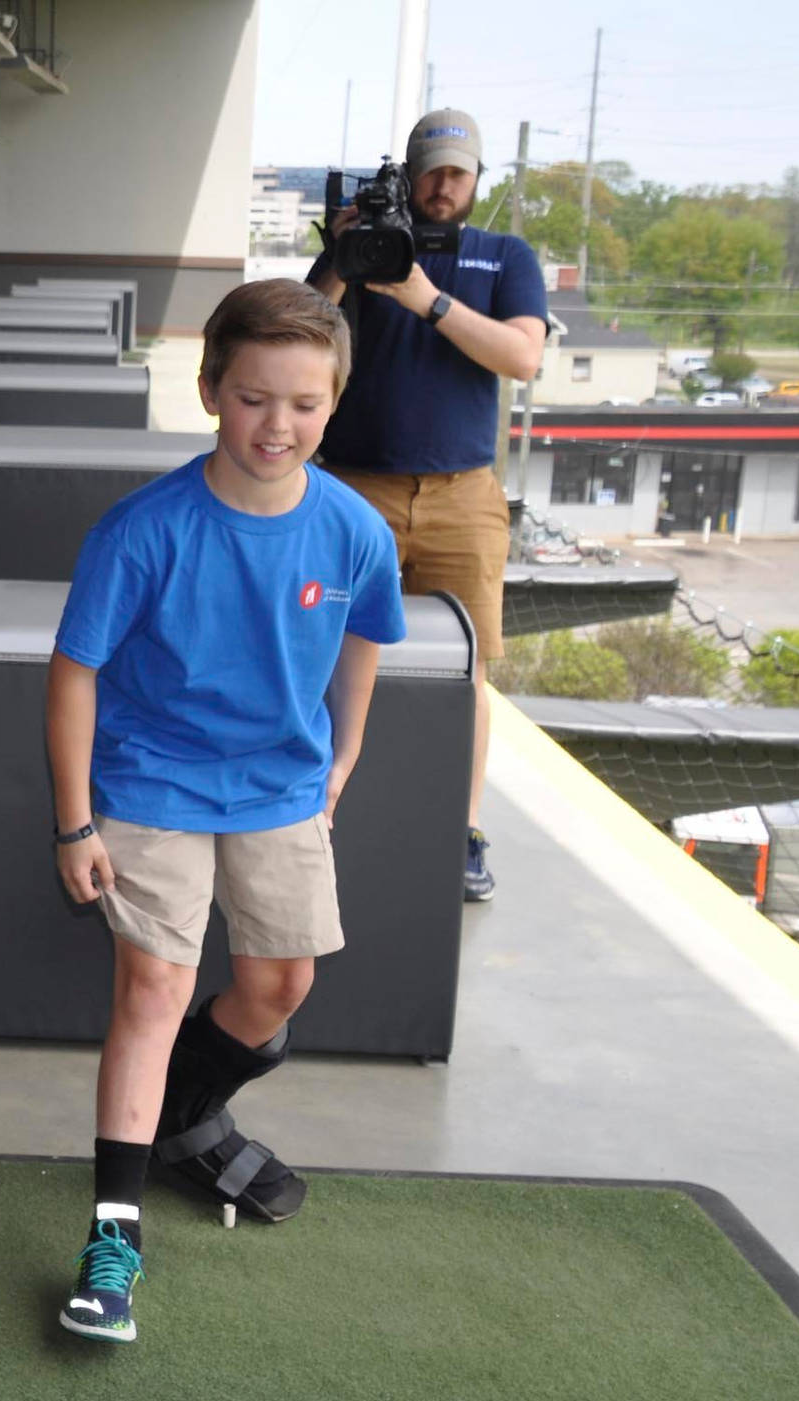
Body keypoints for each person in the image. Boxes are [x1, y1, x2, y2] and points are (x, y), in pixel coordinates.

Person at [45, 278, 406, 1344]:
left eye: (302, 404)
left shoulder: (354, 530)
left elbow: (366, 638)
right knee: (155, 989)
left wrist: (344, 757)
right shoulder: (142, 529)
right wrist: (76, 822)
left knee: (278, 987)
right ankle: (115, 1237)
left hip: (281, 790)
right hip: (152, 783)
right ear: (211, 391)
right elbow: (74, 675)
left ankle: (185, 1117)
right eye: (254, 398)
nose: (277, 425)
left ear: (333, 405)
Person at [308, 108, 548, 903]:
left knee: (469, 670)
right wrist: (341, 258)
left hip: (462, 495)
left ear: (479, 179)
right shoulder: (363, 249)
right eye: (432, 171)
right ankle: (316, 803)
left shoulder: (503, 256)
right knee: (327, 652)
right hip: (351, 485)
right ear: (407, 175)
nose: (444, 187)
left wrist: (424, 297)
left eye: (459, 173)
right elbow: (301, 330)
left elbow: (522, 355)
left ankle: (463, 828)